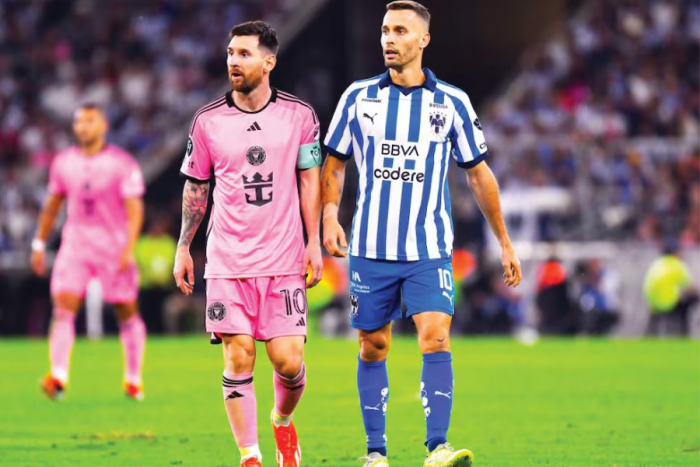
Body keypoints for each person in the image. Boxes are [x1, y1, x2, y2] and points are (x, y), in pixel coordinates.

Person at [320, 2, 521, 466]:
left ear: (423, 40)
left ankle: (438, 447)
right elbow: (335, 162)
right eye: (385, 30)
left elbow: (478, 174)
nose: (389, 39)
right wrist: (329, 216)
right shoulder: (358, 98)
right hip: (371, 248)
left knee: (436, 337)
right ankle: (375, 452)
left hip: (428, 248)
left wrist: (504, 241)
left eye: (400, 31)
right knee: (374, 345)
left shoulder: (451, 102)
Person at [172, 21, 323, 467]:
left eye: (243, 54)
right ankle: (250, 456)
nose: (233, 61)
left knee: (288, 362)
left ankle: (282, 421)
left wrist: (314, 240)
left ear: (268, 61)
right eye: (230, 53)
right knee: (239, 358)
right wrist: (184, 246)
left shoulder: (300, 116)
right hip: (227, 260)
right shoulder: (208, 121)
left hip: (283, 258)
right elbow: (196, 187)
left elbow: (309, 179)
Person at [30, 104, 147, 401]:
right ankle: (58, 377)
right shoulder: (63, 163)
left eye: (90, 121)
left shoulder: (122, 164)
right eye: (79, 121)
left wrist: (128, 247)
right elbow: (53, 205)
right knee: (63, 306)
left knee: (126, 309)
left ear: (103, 125)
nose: (83, 126)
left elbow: (135, 210)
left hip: (113, 245)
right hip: (75, 244)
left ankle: (133, 378)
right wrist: (39, 243)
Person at [644, 239, 698, 336]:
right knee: (694, 297)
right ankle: (683, 332)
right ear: (676, 252)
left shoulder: (656, 264)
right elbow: (690, 288)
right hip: (670, 305)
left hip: (654, 305)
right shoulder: (677, 265)